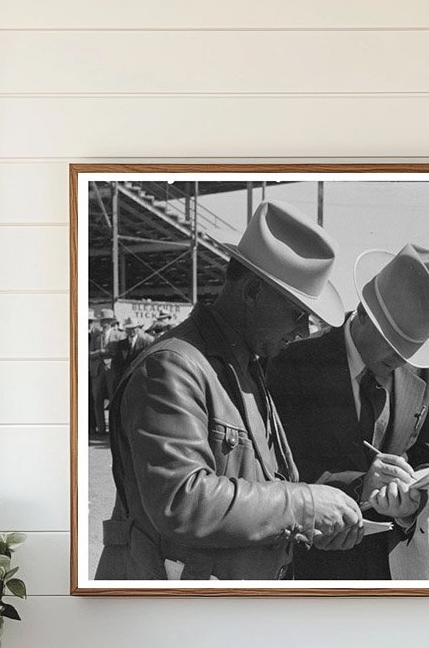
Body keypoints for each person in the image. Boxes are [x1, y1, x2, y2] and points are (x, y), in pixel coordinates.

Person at [94, 200, 364, 581]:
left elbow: (263, 487)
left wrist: (324, 511)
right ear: (252, 291)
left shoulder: (242, 364)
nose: (303, 330)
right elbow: (182, 499)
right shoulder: (173, 366)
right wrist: (305, 506)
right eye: (296, 312)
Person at [269, 244, 429, 580]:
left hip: (402, 567)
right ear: (364, 313)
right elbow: (278, 466)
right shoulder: (295, 364)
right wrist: (358, 486)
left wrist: (414, 502)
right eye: (395, 345)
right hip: (321, 566)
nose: (404, 360)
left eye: (414, 350)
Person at [87, 309, 118, 435]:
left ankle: (113, 428)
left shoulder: (118, 336)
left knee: (113, 400)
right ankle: (101, 429)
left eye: (106, 321)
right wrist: (101, 352)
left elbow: (117, 353)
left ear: (111, 322)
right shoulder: (96, 336)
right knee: (97, 400)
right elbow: (89, 353)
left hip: (111, 371)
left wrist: (106, 353)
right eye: (102, 321)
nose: (104, 323)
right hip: (97, 371)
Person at [107, 315, 154, 395]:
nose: (132, 331)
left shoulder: (145, 343)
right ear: (126, 330)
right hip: (123, 378)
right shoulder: (121, 344)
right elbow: (116, 362)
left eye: (134, 328)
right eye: (129, 328)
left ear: (138, 329)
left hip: (139, 378)